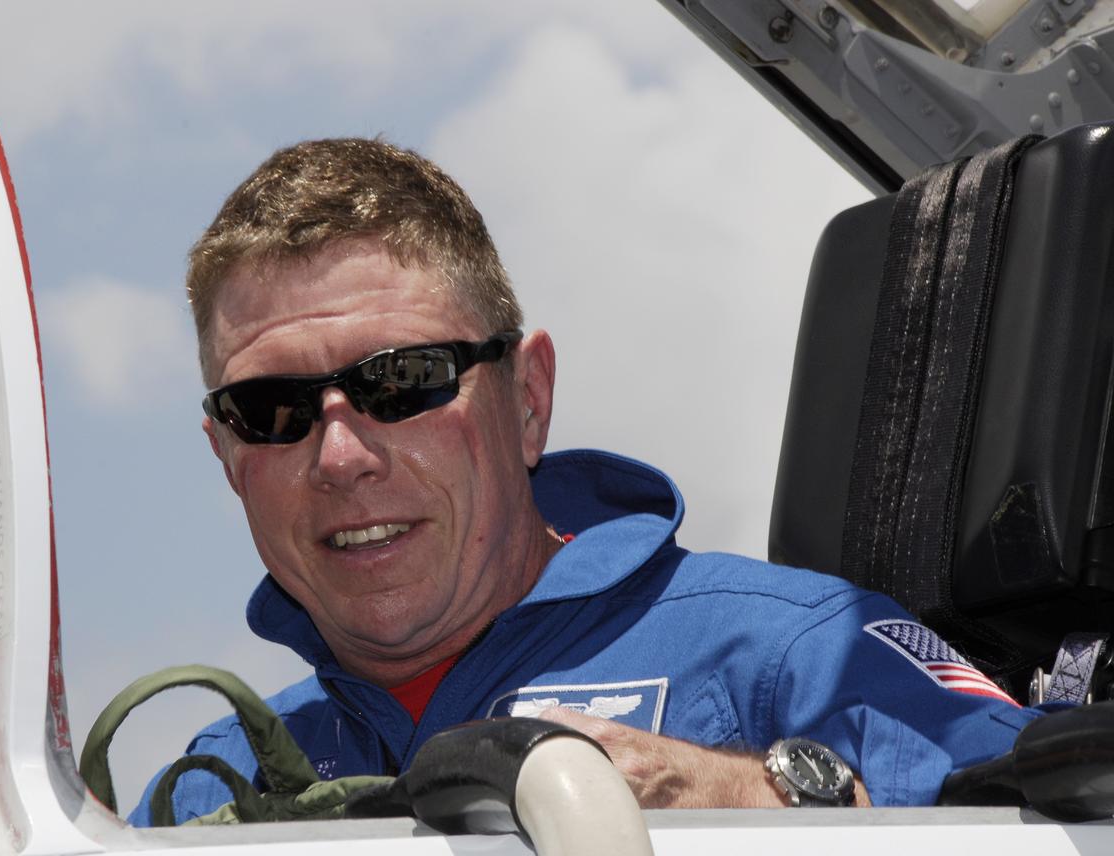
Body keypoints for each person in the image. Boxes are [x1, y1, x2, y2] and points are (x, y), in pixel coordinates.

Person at [130, 137, 1045, 825]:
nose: (340, 458)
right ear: (226, 455)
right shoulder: (216, 788)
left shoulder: (794, 652)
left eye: (400, 382)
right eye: (274, 411)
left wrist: (751, 800)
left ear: (528, 400)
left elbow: (1059, 819)